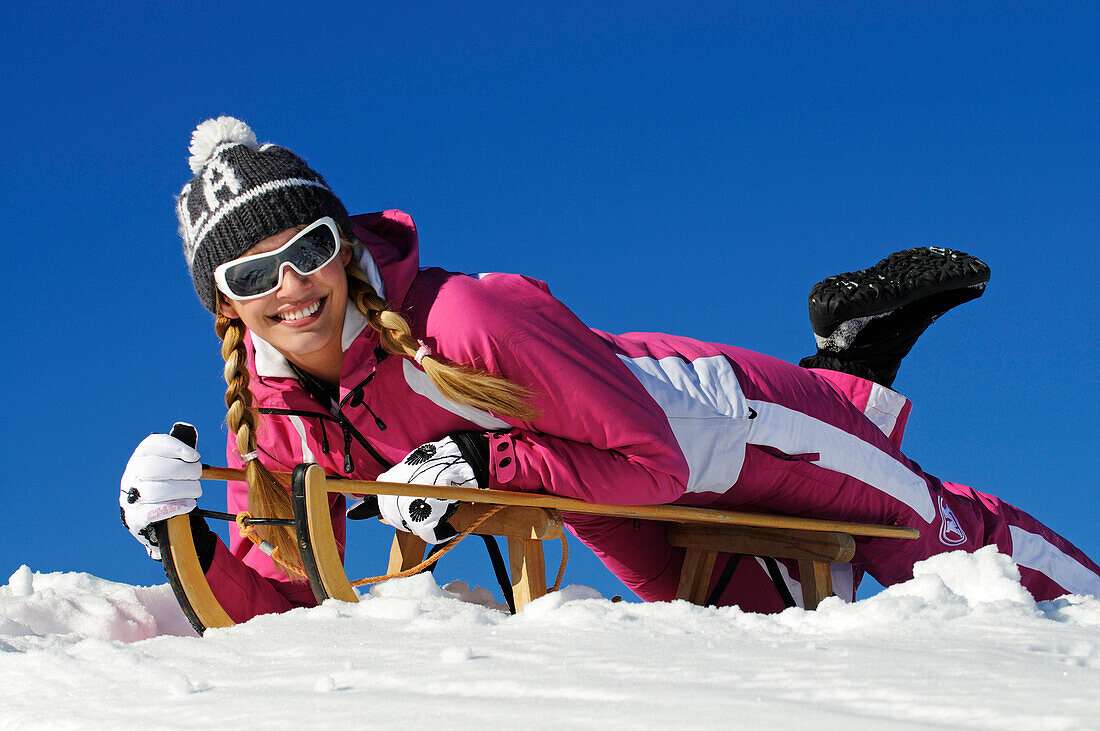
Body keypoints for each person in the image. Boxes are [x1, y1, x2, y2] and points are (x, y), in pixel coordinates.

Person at [121, 117, 1100, 622]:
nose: (291, 286)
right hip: (604, 493)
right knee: (753, 624)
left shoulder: (468, 315)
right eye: (254, 272)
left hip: (719, 425)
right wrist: (183, 539)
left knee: (932, 539)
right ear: (225, 300)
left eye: (311, 247)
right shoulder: (289, 401)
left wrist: (490, 464)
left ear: (346, 244)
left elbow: (658, 458)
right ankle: (852, 344)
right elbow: (286, 596)